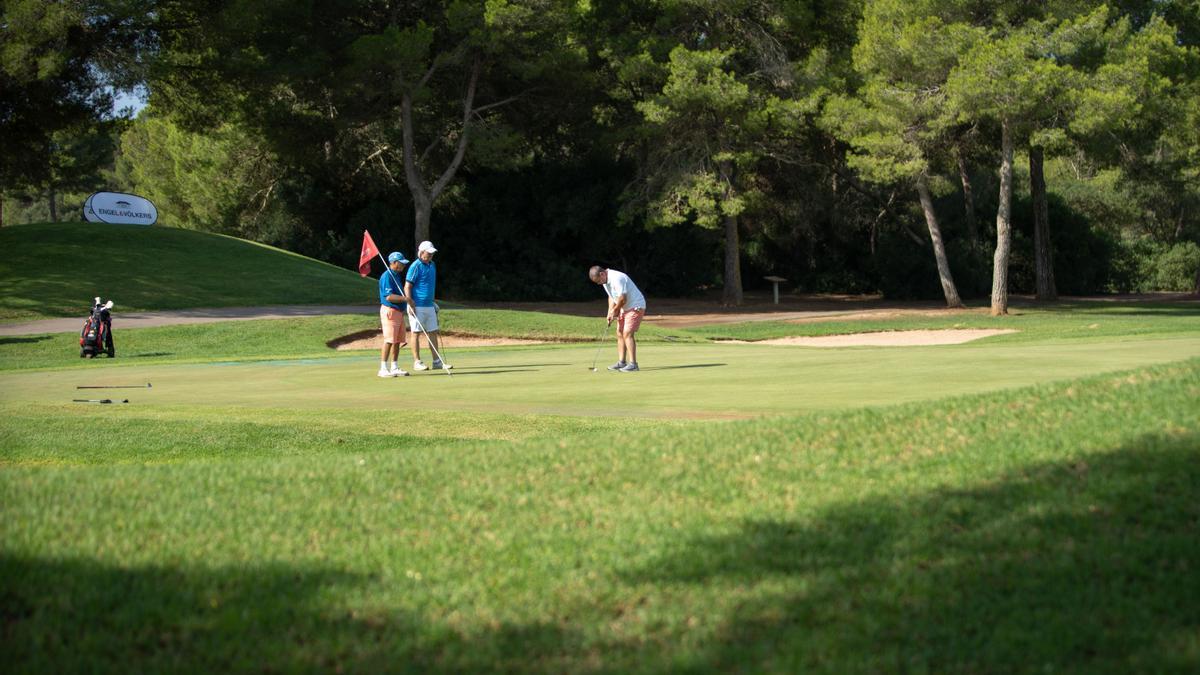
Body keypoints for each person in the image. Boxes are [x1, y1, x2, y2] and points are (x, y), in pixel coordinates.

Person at [589, 265, 646, 372]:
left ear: (602, 274)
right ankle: (621, 362)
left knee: (627, 333)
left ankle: (633, 364)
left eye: (599, 281)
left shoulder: (616, 278)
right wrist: (610, 312)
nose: (599, 283)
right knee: (619, 333)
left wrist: (615, 310)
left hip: (636, 305)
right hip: (625, 307)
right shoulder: (605, 281)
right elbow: (612, 296)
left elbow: (623, 299)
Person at [405, 240, 452, 371]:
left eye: (432, 253)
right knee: (416, 333)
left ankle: (436, 361)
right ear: (421, 252)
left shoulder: (432, 265)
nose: (431, 255)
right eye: (428, 253)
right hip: (417, 306)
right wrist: (410, 303)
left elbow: (429, 286)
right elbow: (407, 286)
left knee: (432, 332)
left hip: (429, 305)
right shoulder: (415, 266)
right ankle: (417, 362)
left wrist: (433, 302)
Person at [377, 251, 410, 377]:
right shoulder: (387, 276)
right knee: (389, 340)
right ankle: (383, 368)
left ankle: (394, 367)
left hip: (399, 312)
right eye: (401, 263)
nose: (403, 266)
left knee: (397, 341)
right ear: (394, 263)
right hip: (390, 311)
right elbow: (389, 297)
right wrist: (405, 299)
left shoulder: (396, 275)